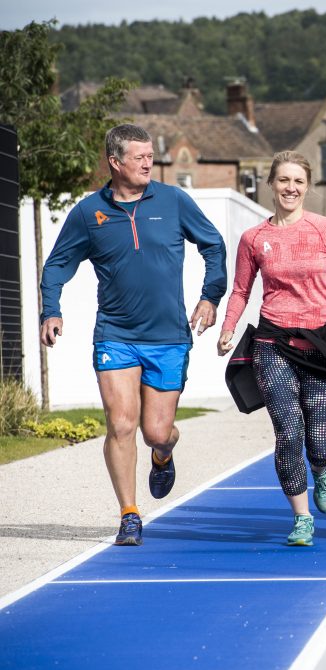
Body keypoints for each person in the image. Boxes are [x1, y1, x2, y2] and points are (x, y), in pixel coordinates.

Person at [39, 123, 227, 546]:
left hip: (168, 337)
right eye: (139, 157)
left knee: (156, 432)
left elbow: (213, 244)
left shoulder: (174, 201)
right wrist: (51, 310)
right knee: (121, 424)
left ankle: (163, 455)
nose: (148, 163)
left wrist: (210, 295)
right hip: (115, 335)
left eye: (150, 155)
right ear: (115, 162)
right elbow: (56, 265)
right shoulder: (90, 213)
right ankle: (129, 514)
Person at [217, 150, 326, 546]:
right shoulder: (255, 238)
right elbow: (240, 290)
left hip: (320, 344)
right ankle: (301, 518)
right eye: (283, 180)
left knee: (318, 438)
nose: (290, 188)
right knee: (288, 431)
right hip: (273, 343)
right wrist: (228, 327)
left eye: (298, 181)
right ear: (271, 184)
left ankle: (321, 468)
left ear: (307, 186)